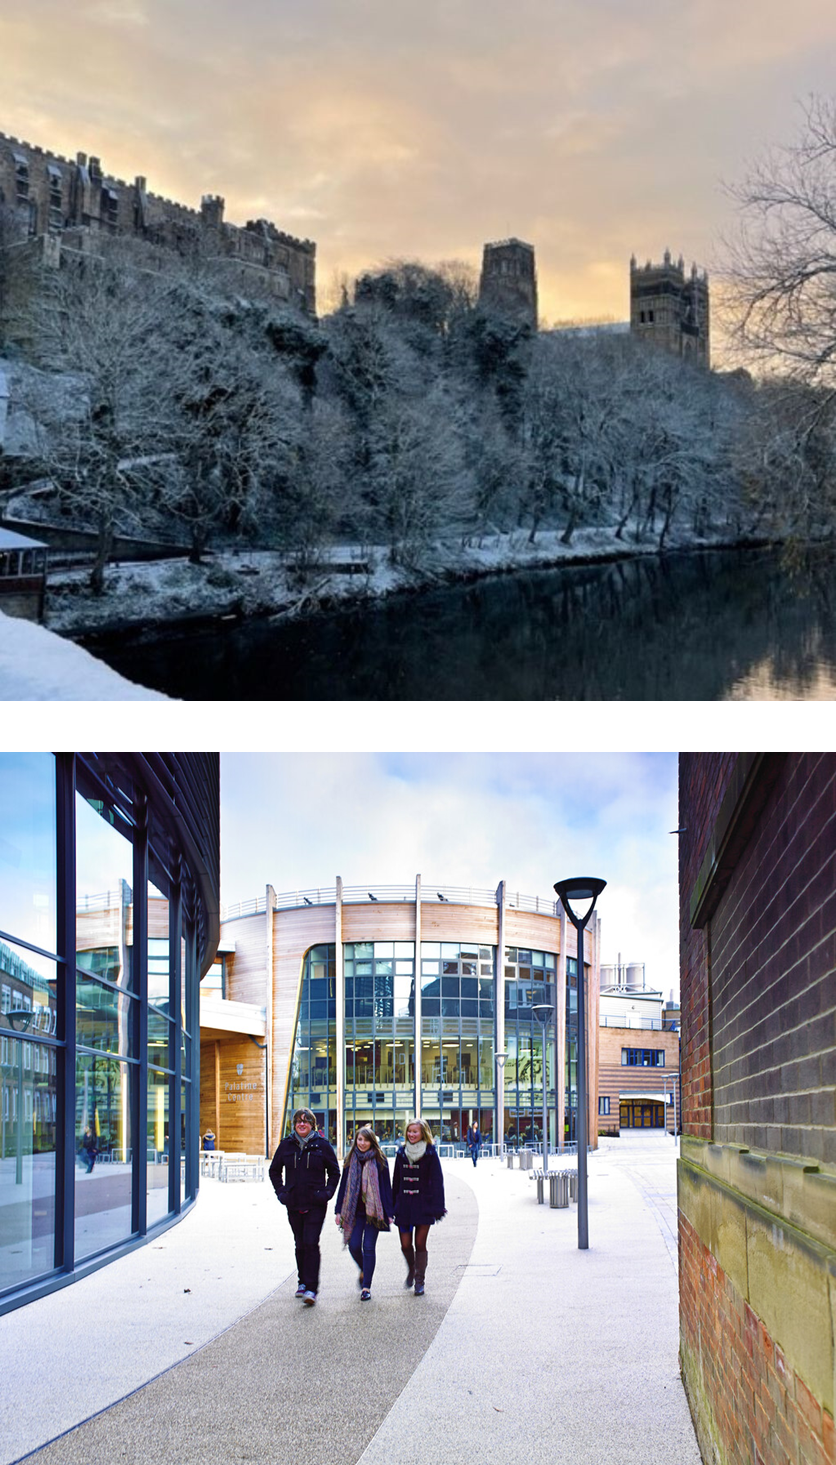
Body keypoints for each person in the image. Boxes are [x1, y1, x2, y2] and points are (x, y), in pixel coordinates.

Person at [269, 1108, 339, 1305]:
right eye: (298, 1121)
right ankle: (301, 1282)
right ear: (294, 1124)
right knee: (299, 1243)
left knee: (310, 1242)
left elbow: (334, 1172)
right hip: (293, 1203)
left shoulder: (322, 1146)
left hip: (315, 1204)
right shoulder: (286, 1145)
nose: (302, 1124)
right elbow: (274, 1171)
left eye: (306, 1121)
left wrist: (326, 1193)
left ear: (312, 1124)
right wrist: (282, 1193)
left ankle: (311, 1288)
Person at [334, 1126, 394, 1301]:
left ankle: (366, 1286)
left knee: (368, 1247)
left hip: (373, 1212)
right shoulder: (350, 1159)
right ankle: (364, 1269)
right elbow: (343, 1186)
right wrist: (338, 1210)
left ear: (372, 1141)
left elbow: (385, 1188)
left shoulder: (380, 1160)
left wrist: (389, 1212)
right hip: (354, 1212)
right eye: (359, 1140)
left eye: (366, 1140)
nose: (362, 1143)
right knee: (353, 1246)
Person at [392, 1118, 446, 1296]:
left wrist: (438, 1206)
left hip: (424, 1205)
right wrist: (393, 1205)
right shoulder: (401, 1152)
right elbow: (396, 1181)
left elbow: (437, 1181)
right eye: (409, 1131)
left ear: (423, 1133)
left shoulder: (430, 1153)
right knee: (405, 1244)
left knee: (420, 1243)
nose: (412, 1134)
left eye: (415, 1131)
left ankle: (419, 1281)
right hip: (405, 1205)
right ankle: (412, 1268)